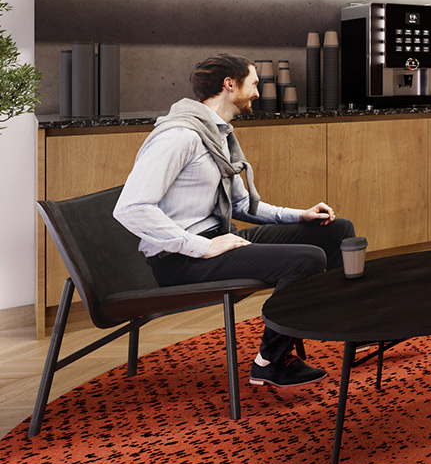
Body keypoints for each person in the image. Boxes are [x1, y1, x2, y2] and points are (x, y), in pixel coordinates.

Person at [114, 54, 355, 388]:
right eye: (254, 84)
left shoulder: (217, 136)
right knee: (307, 259)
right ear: (230, 85)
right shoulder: (179, 136)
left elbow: (242, 204)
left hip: (220, 239)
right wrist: (203, 246)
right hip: (181, 258)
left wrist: (300, 215)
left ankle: (348, 326)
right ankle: (271, 362)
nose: (258, 93)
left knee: (335, 230)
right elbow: (131, 207)